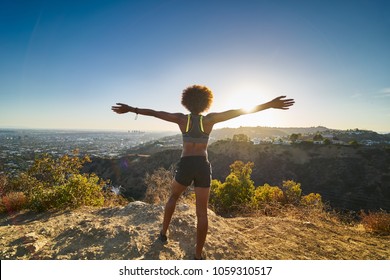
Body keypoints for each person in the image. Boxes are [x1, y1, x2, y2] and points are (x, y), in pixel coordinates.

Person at [111, 85, 294, 259]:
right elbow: (240, 111)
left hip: (186, 164)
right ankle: (197, 256)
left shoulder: (181, 119)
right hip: (202, 165)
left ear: (187, 101)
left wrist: (131, 109)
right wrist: (269, 104)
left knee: (173, 197)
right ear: (207, 102)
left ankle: (163, 234)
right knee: (202, 213)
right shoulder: (210, 119)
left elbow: (155, 113)